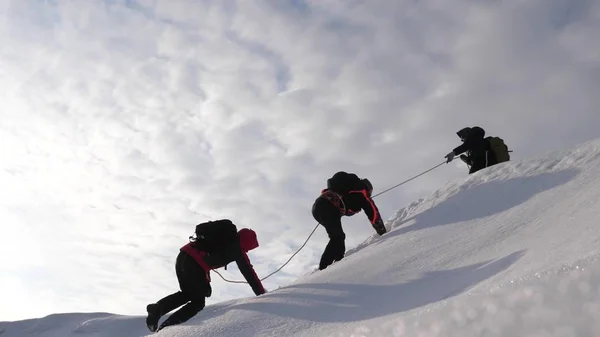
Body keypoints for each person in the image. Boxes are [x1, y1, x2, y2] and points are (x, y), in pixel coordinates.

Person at [145, 220, 266, 332]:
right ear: (247, 243)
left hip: (183, 257)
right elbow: (249, 273)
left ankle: (157, 309)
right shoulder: (237, 247)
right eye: (249, 248)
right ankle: (168, 329)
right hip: (193, 263)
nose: (248, 251)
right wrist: (263, 295)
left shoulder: (226, 241)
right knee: (198, 302)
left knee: (187, 294)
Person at [311, 171, 386, 271]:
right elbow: (372, 211)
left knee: (338, 237)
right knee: (337, 237)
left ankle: (338, 262)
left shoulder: (347, 191)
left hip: (318, 207)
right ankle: (324, 269)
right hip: (329, 207)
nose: (369, 195)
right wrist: (381, 230)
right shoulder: (362, 192)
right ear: (367, 188)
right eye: (370, 193)